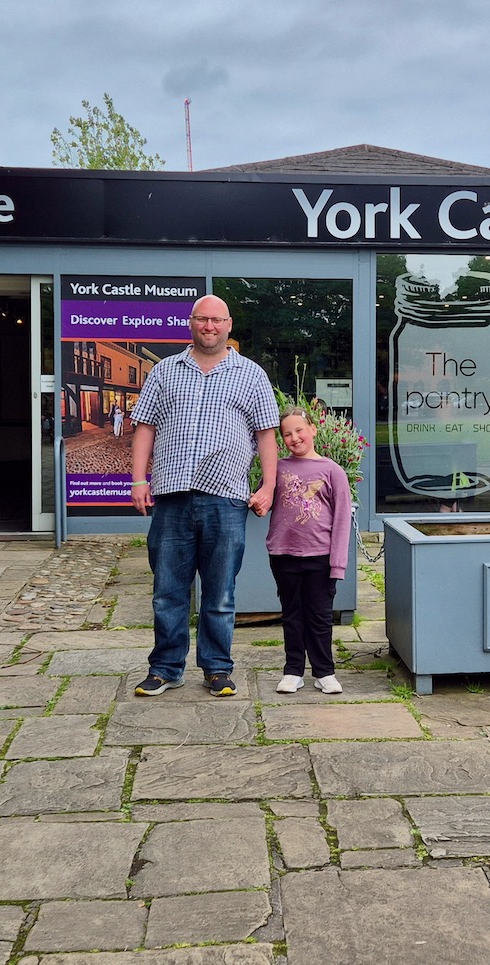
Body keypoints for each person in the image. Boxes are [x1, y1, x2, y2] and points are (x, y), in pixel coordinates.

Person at [129, 295, 280, 698]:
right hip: (172, 496)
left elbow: (267, 433)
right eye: (202, 319)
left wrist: (268, 485)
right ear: (190, 323)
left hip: (226, 498)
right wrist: (138, 480)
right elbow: (144, 426)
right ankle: (165, 668)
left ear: (229, 325)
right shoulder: (164, 371)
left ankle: (216, 668)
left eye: (216, 320)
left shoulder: (250, 374)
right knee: (167, 591)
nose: (209, 326)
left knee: (220, 593)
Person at [267, 406, 353, 695]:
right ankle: (293, 670)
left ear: (313, 429)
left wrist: (337, 564)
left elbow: (342, 521)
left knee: (319, 615)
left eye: (300, 430)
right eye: (287, 434)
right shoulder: (277, 468)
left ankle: (324, 671)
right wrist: (256, 501)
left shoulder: (332, 471)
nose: (295, 437)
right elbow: (264, 501)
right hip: (283, 554)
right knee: (292, 614)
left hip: (319, 556)